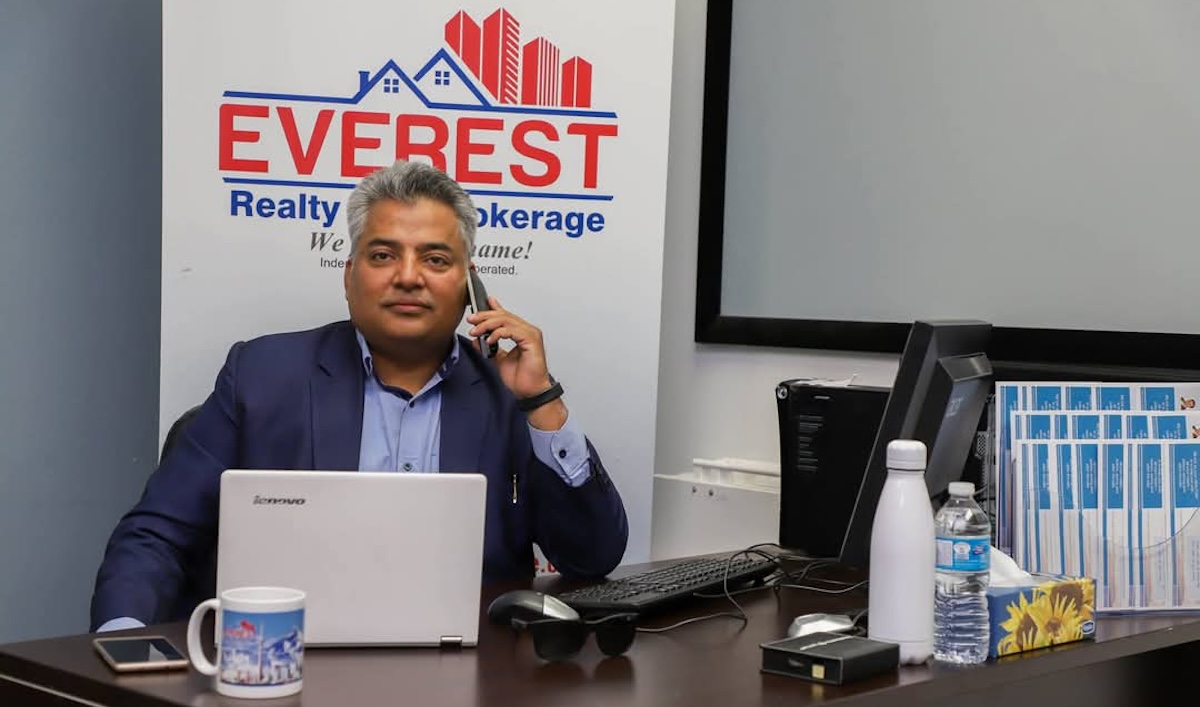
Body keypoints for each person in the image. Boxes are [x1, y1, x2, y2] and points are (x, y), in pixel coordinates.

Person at [90, 160, 628, 632]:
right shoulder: (260, 376)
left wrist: (542, 402)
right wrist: (123, 640)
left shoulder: (507, 394)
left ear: (471, 287)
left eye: (436, 260)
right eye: (384, 255)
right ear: (349, 277)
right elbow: (157, 534)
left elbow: (592, 557)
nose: (408, 277)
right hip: (284, 659)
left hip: (469, 671)